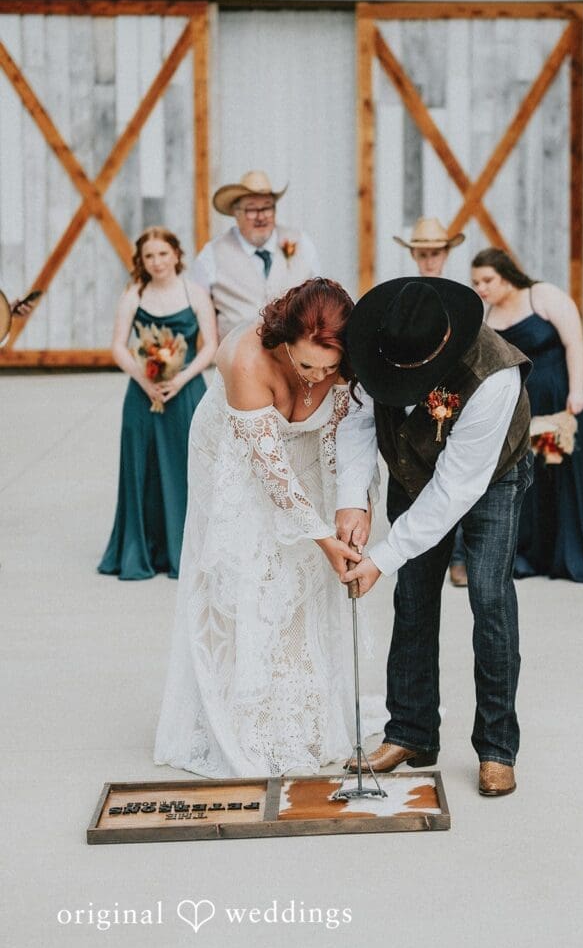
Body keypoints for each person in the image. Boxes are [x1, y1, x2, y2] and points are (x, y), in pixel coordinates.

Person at [154, 278, 380, 779]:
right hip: (237, 458)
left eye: (330, 367)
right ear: (282, 342)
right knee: (252, 572)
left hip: (306, 449)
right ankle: (250, 716)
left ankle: (304, 711)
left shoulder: (344, 363)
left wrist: (348, 510)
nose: (318, 376)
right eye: (306, 366)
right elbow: (271, 473)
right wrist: (321, 537)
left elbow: (340, 441)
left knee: (303, 580)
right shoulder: (245, 359)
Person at [336, 276, 533, 798]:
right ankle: (411, 732)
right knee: (414, 598)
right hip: (411, 468)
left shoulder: (493, 377)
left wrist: (382, 555)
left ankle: (496, 747)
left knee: (490, 599)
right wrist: (353, 498)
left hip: (490, 476)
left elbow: (455, 489)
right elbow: (357, 424)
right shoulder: (376, 338)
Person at [471, 248, 583, 584]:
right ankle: (535, 551)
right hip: (522, 404)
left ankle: (574, 551)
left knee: (565, 469)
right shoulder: (489, 315)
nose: (482, 287)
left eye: (488, 280)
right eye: (477, 281)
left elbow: (575, 343)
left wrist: (576, 390)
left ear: (506, 275)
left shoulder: (543, 295)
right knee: (529, 476)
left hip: (560, 391)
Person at [98, 227, 217, 581]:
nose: (157, 262)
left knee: (186, 467)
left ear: (176, 255)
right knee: (143, 467)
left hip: (186, 393)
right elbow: (118, 345)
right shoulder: (134, 294)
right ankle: (144, 547)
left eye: (163, 254)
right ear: (141, 261)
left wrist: (180, 379)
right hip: (143, 394)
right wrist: (143, 379)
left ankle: (183, 548)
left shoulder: (194, 293)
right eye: (149, 256)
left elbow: (210, 344)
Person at [394, 216, 469, 587]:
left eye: (435, 253)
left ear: (446, 253)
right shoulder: (405, 295)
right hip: (417, 391)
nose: (428, 261)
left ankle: (459, 556)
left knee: (458, 473)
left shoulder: (460, 294)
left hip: (453, 389)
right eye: (421, 254)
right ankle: (425, 554)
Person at [191, 169, 320, 342]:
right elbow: (197, 310)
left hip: (292, 357)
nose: (261, 217)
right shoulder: (212, 253)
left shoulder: (302, 243)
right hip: (235, 361)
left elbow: (319, 299)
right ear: (236, 214)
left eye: (267, 207)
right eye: (251, 210)